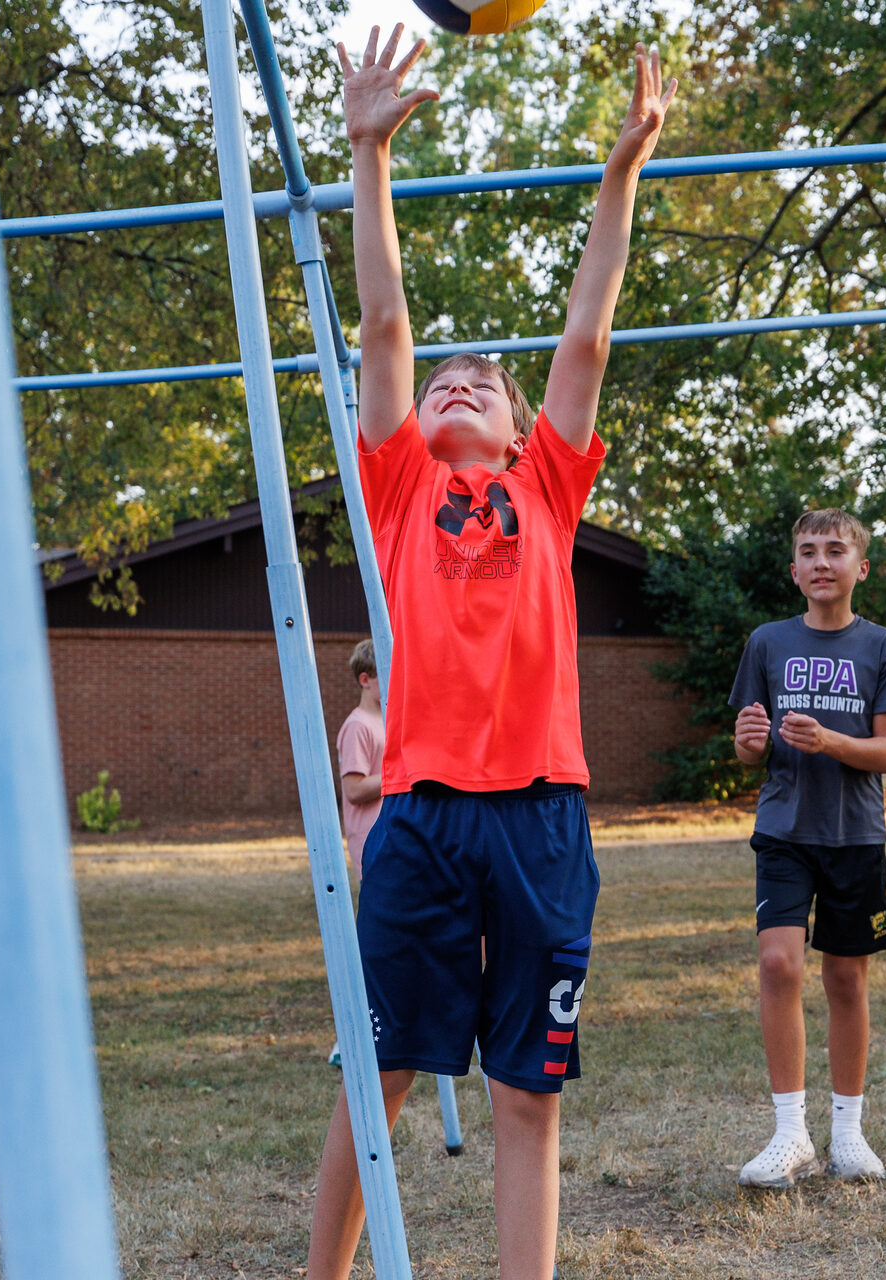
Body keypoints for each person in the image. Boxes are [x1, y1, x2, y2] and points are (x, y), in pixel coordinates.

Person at [302, 31, 675, 1280]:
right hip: (415, 815)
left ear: (521, 426)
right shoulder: (398, 480)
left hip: (541, 819)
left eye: (483, 380)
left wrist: (619, 175)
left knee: (529, 1092)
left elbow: (585, 336)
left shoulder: (547, 489)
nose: (459, 381)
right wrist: (368, 154)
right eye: (446, 379)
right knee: (381, 1072)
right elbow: (387, 319)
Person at [726, 510, 886, 1188]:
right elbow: (749, 750)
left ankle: (849, 1135)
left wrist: (830, 740)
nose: (822, 561)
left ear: (861, 568)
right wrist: (749, 743)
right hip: (784, 830)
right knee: (778, 964)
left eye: (837, 550)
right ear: (794, 571)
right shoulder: (767, 643)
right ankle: (789, 1133)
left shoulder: (882, 647)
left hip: (855, 837)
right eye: (809, 552)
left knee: (845, 978)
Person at [337, 638, 386, 878]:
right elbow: (354, 789)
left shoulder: (387, 722)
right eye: (385, 673)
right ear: (365, 680)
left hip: (393, 837)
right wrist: (402, 774)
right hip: (371, 843)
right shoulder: (357, 726)